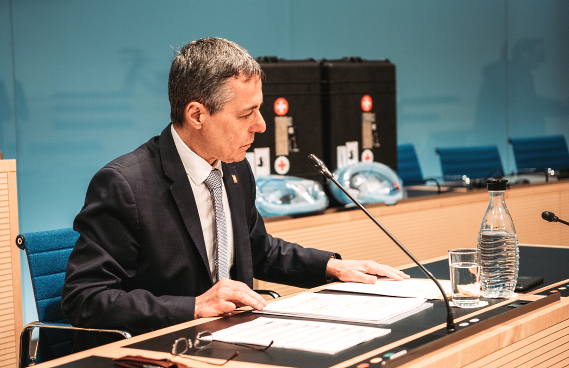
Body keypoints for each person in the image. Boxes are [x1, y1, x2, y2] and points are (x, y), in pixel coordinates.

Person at [61, 37, 409, 351]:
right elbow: (85, 299)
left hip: (227, 343)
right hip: (153, 351)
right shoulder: (125, 185)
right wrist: (194, 306)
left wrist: (334, 267)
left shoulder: (234, 168)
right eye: (247, 113)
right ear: (197, 114)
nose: (261, 124)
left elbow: (259, 249)